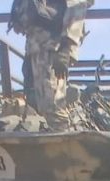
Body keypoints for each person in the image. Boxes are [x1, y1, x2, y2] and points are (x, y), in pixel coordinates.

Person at [10, 0, 91, 130]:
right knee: (43, 107)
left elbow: (78, 5)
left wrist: (66, 48)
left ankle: (62, 141)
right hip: (38, 47)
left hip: (53, 49)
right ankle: (58, 138)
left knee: (54, 108)